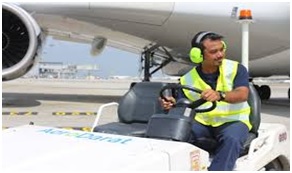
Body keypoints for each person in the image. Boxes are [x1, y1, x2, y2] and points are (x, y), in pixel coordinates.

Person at [160, 31, 252, 171]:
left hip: (233, 121)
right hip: (203, 124)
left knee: (231, 140)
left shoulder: (236, 69)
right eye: (214, 52)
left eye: (222, 49)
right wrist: (170, 105)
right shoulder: (187, 79)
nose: (220, 54)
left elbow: (242, 94)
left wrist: (220, 95)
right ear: (198, 55)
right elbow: (181, 106)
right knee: (176, 132)